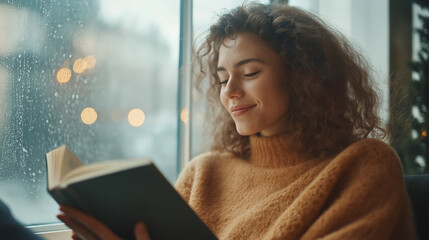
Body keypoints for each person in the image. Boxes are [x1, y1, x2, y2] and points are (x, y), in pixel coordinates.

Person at [58, 2, 418, 239]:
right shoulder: (204, 173)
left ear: (301, 76)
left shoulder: (363, 165)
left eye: (248, 73)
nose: (229, 90)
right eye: (221, 77)